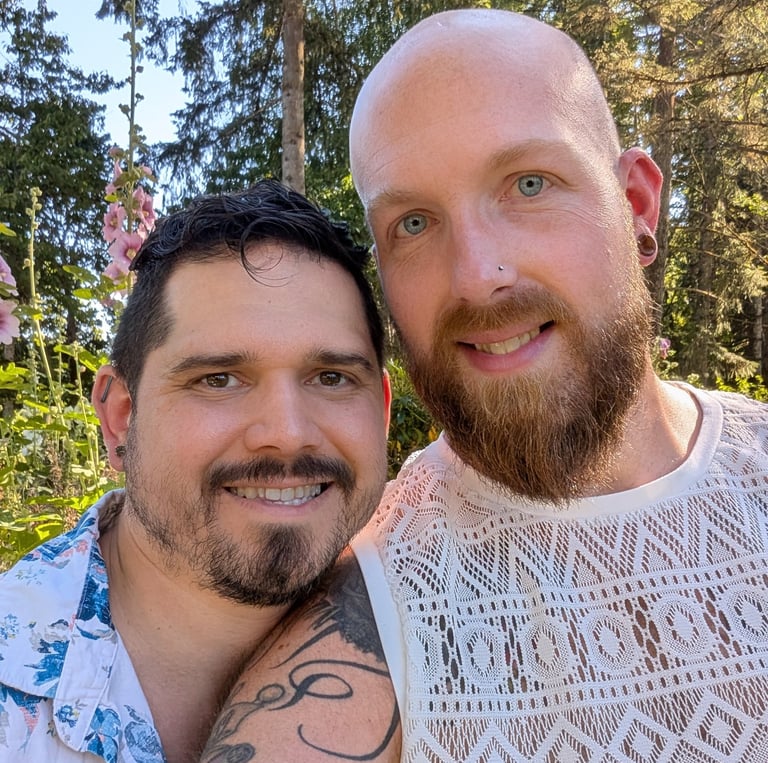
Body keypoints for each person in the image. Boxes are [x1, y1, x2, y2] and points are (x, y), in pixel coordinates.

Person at [201, 10, 768, 763]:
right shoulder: (365, 627)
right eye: (413, 223)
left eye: (529, 184)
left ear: (635, 204)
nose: (476, 275)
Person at [0, 179, 392, 763]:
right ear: (121, 417)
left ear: (381, 413)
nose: (288, 432)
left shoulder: (459, 632)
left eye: (331, 378)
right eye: (219, 379)